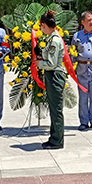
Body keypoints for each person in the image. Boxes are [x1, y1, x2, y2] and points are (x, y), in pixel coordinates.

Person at [37, 10, 66, 150]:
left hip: (55, 75)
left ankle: (57, 140)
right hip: (52, 75)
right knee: (54, 108)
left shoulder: (54, 40)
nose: (41, 29)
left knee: (56, 110)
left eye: (41, 27)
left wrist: (39, 64)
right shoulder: (51, 38)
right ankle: (54, 137)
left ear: (44, 25)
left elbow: (52, 63)